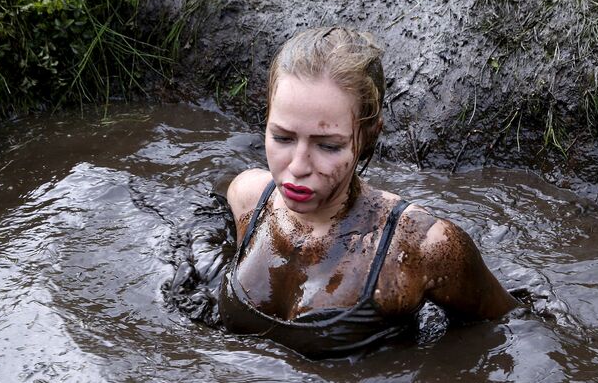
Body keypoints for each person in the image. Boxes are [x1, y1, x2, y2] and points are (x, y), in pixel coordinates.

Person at [219, 27, 517, 358]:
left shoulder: (421, 247)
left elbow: (508, 331)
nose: (298, 166)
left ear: (368, 136)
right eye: (283, 138)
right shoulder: (248, 197)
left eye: (329, 145)